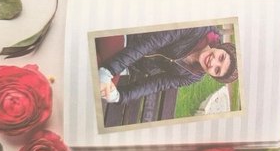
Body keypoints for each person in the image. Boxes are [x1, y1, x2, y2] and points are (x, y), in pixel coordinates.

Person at [97, 25, 238, 103]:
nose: (213, 63)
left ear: (213, 76)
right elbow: (152, 42)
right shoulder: (198, 29)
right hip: (128, 36)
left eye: (217, 70)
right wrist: (109, 70)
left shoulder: (193, 76)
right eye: (221, 57)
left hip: (127, 67)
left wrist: (120, 96)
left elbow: (158, 84)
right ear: (221, 47)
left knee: (101, 88)